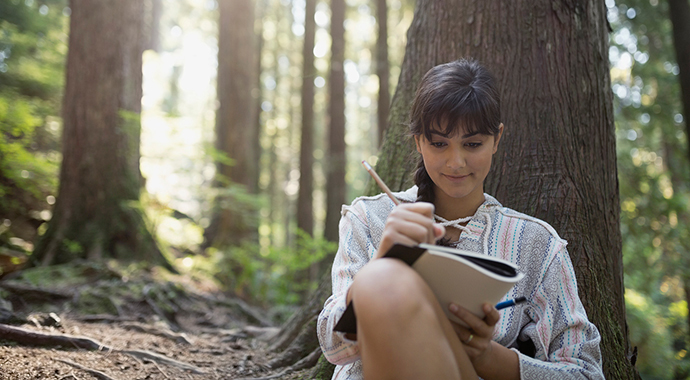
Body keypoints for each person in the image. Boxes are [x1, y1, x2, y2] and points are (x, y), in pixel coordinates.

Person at [316, 58, 605, 380]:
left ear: (497, 139)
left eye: (473, 144)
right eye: (439, 144)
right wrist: (382, 264)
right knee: (382, 278)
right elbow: (333, 350)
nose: (456, 162)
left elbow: (586, 374)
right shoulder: (369, 218)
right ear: (418, 142)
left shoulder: (535, 243)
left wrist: (488, 357)